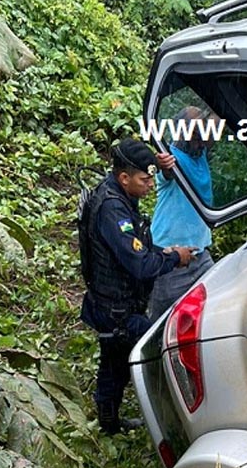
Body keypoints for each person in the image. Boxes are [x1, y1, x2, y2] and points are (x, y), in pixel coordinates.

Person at [79, 138, 195, 434]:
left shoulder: (117, 196)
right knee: (157, 356)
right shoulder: (112, 210)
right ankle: (173, 425)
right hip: (115, 308)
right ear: (124, 177)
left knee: (114, 363)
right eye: (145, 179)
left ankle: (109, 424)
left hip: (114, 302)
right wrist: (172, 258)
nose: (150, 185)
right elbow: (140, 264)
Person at [148, 106, 217, 321]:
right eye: (196, 134)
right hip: (170, 256)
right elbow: (165, 171)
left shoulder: (201, 153)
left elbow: (215, 125)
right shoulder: (173, 158)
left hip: (201, 254)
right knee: (161, 321)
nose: (201, 139)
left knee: (210, 313)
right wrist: (163, 165)